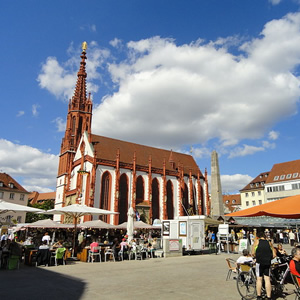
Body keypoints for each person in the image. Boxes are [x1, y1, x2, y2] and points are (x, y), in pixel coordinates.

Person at [252, 229, 276, 300]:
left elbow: (253, 253)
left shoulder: (256, 242)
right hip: (267, 263)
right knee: (267, 279)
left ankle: (259, 296)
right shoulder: (269, 243)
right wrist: (269, 258)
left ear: (258, 236)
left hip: (259, 262)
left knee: (259, 279)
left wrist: (256, 256)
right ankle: (269, 297)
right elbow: (274, 255)